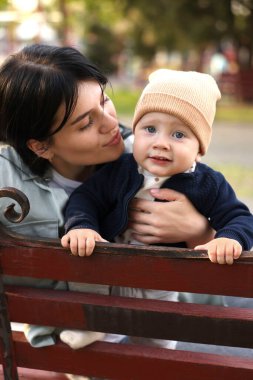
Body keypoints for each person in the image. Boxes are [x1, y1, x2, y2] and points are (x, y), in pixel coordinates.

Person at [0, 44, 214, 351]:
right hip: (72, 347)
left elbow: (226, 232)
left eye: (105, 100)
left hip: (156, 335)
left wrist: (198, 230)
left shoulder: (150, 159)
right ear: (41, 146)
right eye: (86, 123)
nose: (112, 123)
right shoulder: (7, 183)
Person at [61, 68, 253, 349]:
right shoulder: (120, 170)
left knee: (158, 340)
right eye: (150, 129)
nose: (161, 143)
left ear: (199, 149)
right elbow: (86, 198)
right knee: (86, 267)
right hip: (110, 271)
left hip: (160, 280)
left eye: (178, 134)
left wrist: (228, 238)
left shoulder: (207, 183)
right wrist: (82, 227)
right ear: (135, 132)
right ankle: (92, 325)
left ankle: (156, 359)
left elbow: (239, 217)